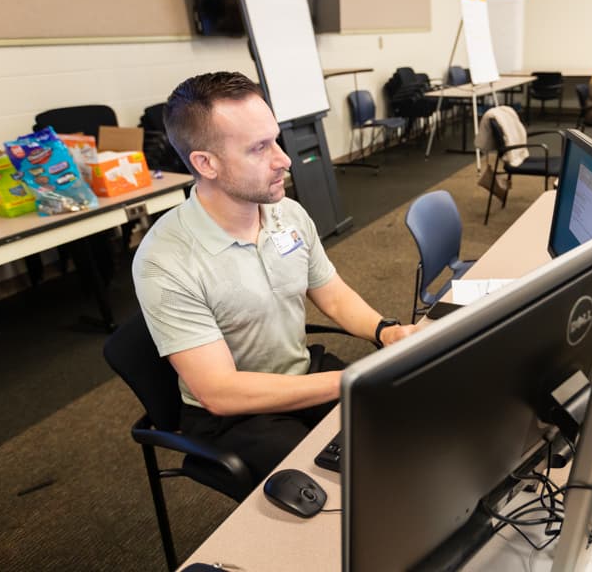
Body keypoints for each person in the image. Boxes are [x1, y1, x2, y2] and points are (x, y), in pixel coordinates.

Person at [133, 71, 418, 486]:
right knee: (342, 487)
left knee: (408, 429)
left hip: (302, 373)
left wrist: (385, 331)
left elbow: (333, 296)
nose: (283, 158)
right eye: (259, 148)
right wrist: (346, 381)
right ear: (205, 163)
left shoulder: (287, 213)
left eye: (276, 138)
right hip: (234, 414)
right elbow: (220, 392)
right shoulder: (165, 260)